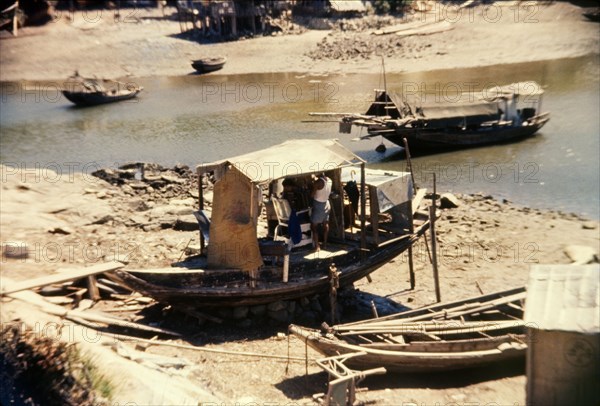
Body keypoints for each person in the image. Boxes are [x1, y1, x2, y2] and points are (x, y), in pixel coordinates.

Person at [311, 173, 332, 251]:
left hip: (319, 205)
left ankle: (317, 246)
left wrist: (314, 184)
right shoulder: (330, 180)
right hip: (327, 203)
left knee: (314, 226)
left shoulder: (318, 182)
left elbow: (312, 195)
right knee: (325, 224)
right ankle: (325, 244)